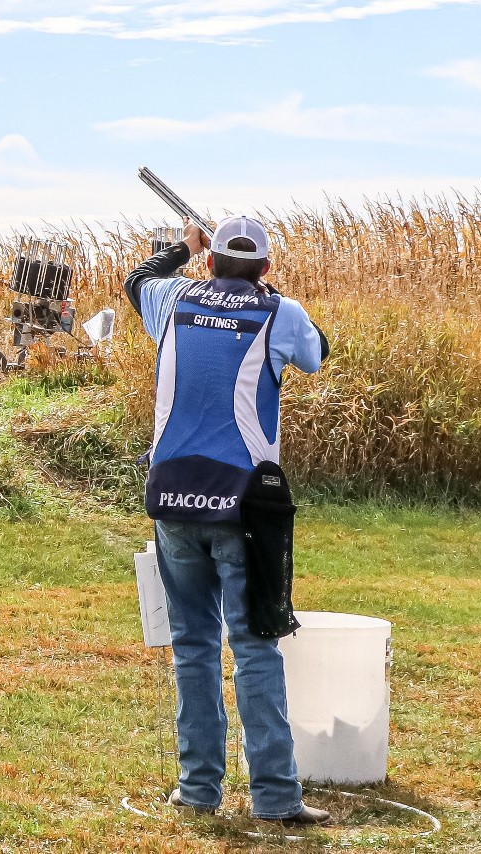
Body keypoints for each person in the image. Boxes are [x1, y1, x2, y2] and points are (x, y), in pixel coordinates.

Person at [123, 215, 332, 826]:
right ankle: (274, 797)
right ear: (264, 269)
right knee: (256, 648)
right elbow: (318, 352)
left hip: (171, 500)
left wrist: (178, 251)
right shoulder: (281, 311)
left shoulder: (174, 298)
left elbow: (137, 279)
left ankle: (198, 790)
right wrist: (273, 297)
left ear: (208, 262)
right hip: (243, 506)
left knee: (193, 647)